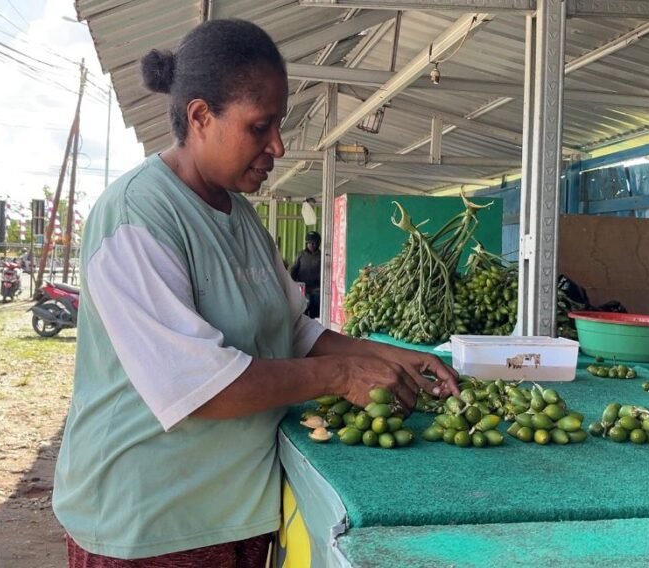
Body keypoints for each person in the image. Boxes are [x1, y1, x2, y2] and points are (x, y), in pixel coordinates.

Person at [52, 19, 458, 568]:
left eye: (278, 126)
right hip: (152, 526)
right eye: (260, 126)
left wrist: (388, 355)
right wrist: (341, 376)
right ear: (200, 117)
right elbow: (197, 387)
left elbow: (291, 330)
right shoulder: (137, 217)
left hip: (236, 513)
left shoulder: (242, 218)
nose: (278, 146)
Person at [290, 231, 321, 318]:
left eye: (314, 243)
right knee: (302, 311)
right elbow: (294, 269)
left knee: (315, 312)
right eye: (309, 243)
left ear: (318, 244)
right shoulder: (301, 255)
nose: (312, 245)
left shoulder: (321, 256)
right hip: (302, 288)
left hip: (316, 289)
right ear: (306, 243)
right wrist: (292, 283)